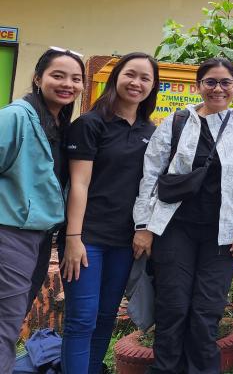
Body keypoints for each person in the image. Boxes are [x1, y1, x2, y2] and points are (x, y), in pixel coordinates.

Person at [133, 57, 233, 374]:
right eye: (210, 82)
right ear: (198, 86)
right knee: (173, 307)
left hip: (222, 235)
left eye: (226, 82)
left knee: (206, 310)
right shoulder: (176, 122)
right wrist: (144, 225)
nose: (218, 88)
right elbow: (150, 175)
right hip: (174, 230)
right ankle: (165, 369)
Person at [60, 52, 159, 373]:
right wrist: (73, 238)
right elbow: (79, 184)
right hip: (87, 238)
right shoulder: (90, 124)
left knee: (105, 316)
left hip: (125, 241)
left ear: (153, 86)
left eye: (146, 78)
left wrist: (145, 230)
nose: (137, 83)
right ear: (116, 77)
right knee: (82, 318)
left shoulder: (151, 130)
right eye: (131, 74)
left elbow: (152, 186)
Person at [0, 48, 84, 372]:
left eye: (75, 78)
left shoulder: (58, 125)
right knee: (5, 327)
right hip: (11, 235)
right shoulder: (17, 117)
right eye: (57, 75)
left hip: (37, 238)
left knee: (10, 320)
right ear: (38, 78)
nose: (67, 84)